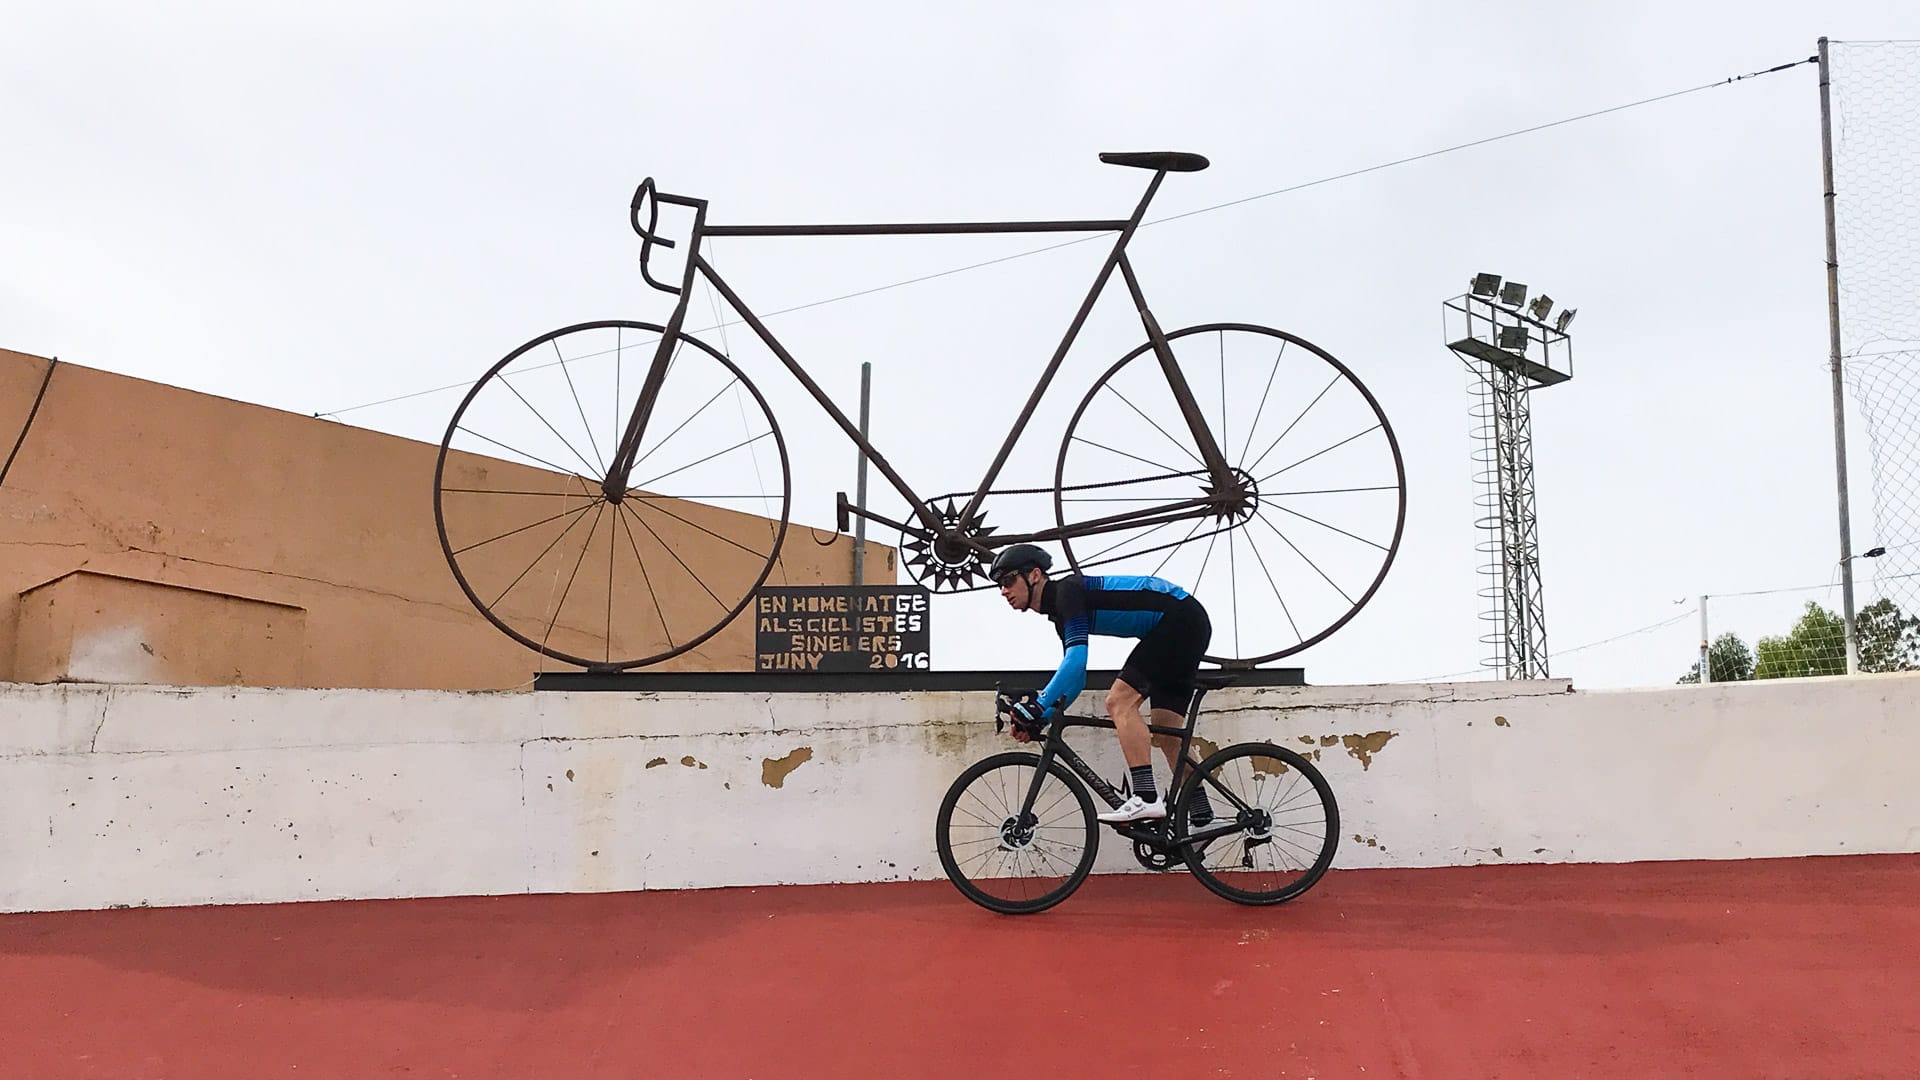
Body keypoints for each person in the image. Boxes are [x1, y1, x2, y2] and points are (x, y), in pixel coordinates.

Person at [991, 543, 1214, 825]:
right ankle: (1203, 814)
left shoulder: (1066, 593)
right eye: (999, 585)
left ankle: (1145, 797)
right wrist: (1042, 717)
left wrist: (1037, 705)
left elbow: (1075, 661)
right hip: (1185, 622)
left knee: (1119, 702)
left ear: (1034, 575)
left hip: (1178, 621)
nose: (1003, 590)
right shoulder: (1061, 611)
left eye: (1008, 580)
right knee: (1167, 731)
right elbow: (1076, 678)